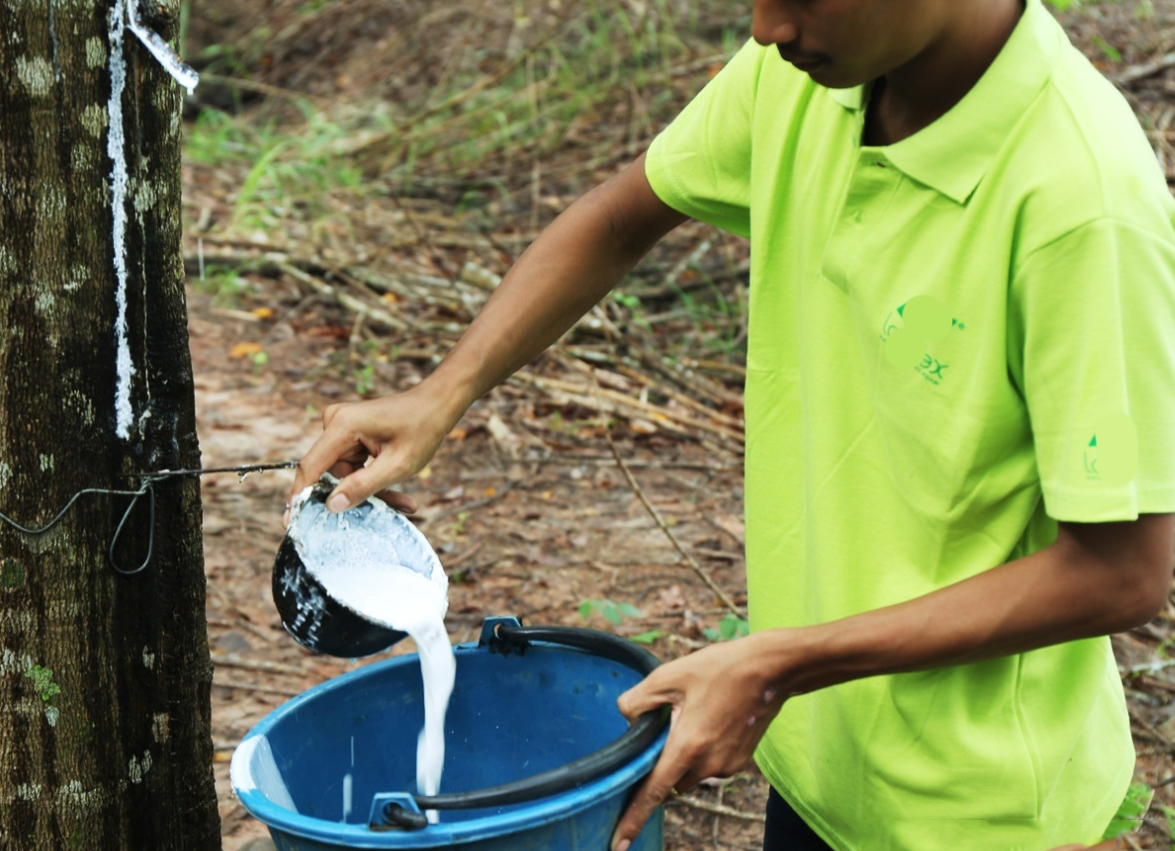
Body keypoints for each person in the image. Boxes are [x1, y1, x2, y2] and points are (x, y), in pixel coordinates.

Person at [288, 0, 1175, 848]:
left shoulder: (1082, 205)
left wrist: (780, 662)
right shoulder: (805, 77)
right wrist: (443, 391)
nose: (765, 27)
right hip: (824, 762)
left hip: (980, 814)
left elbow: (1123, 572)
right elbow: (619, 215)